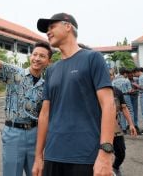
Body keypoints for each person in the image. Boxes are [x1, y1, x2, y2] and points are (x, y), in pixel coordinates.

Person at [32, 13, 116, 176]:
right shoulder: (51, 70)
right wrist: (38, 157)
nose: (48, 32)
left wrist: (105, 153)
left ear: (68, 26)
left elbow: (109, 104)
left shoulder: (93, 58)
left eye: (52, 27)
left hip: (86, 156)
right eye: (47, 30)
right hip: (53, 155)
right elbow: (44, 114)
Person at [0, 30, 52, 176]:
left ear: (48, 61)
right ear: (30, 56)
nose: (37, 58)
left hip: (35, 134)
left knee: (37, 172)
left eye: (42, 56)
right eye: (35, 54)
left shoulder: (47, 85)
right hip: (14, 133)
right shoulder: (14, 73)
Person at [110, 69, 137, 176]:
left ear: (113, 77)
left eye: (110, 75)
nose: (108, 76)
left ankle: (115, 167)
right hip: (97, 128)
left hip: (115, 127)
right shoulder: (93, 91)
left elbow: (124, 108)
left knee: (121, 153)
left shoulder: (117, 91)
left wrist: (131, 124)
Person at [112, 67, 134, 134]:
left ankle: (123, 128)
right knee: (129, 110)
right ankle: (130, 126)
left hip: (116, 97)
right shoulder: (126, 80)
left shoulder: (114, 80)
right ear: (124, 73)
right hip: (126, 95)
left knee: (120, 112)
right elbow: (130, 90)